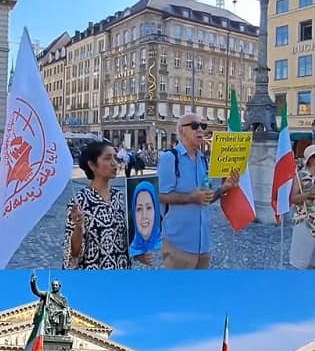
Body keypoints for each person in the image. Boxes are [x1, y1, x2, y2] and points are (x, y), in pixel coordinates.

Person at [158, 113, 240, 268]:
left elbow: (205, 198)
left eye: (203, 126)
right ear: (182, 130)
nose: (200, 130)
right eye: (194, 126)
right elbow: (160, 196)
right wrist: (191, 197)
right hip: (179, 243)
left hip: (203, 244)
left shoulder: (202, 159)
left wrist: (225, 187)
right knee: (179, 291)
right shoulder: (170, 158)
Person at [64, 141, 149, 269]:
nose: (114, 163)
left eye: (115, 157)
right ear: (92, 165)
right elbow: (73, 254)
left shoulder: (120, 197)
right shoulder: (79, 201)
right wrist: (79, 228)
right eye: (108, 158)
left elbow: (126, 240)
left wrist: (138, 253)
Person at [129, 180, 162, 258]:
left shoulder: (169, 250)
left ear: (156, 211)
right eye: (139, 209)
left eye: (149, 208)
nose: (144, 216)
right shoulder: (127, 253)